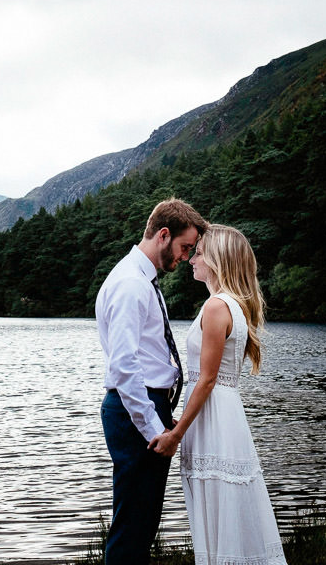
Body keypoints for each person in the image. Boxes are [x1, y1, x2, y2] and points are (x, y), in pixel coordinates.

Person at [148, 224, 288, 565]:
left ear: (217, 260)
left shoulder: (216, 307)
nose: (192, 258)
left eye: (199, 253)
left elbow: (207, 380)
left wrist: (176, 433)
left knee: (217, 505)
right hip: (221, 415)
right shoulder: (233, 305)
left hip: (214, 418)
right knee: (224, 506)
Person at [96, 198, 208, 564]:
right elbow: (125, 366)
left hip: (143, 407)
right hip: (135, 412)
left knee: (140, 523)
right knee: (133, 525)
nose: (185, 256)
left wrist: (162, 416)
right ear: (163, 235)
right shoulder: (131, 284)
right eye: (184, 247)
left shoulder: (139, 278)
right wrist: (152, 429)